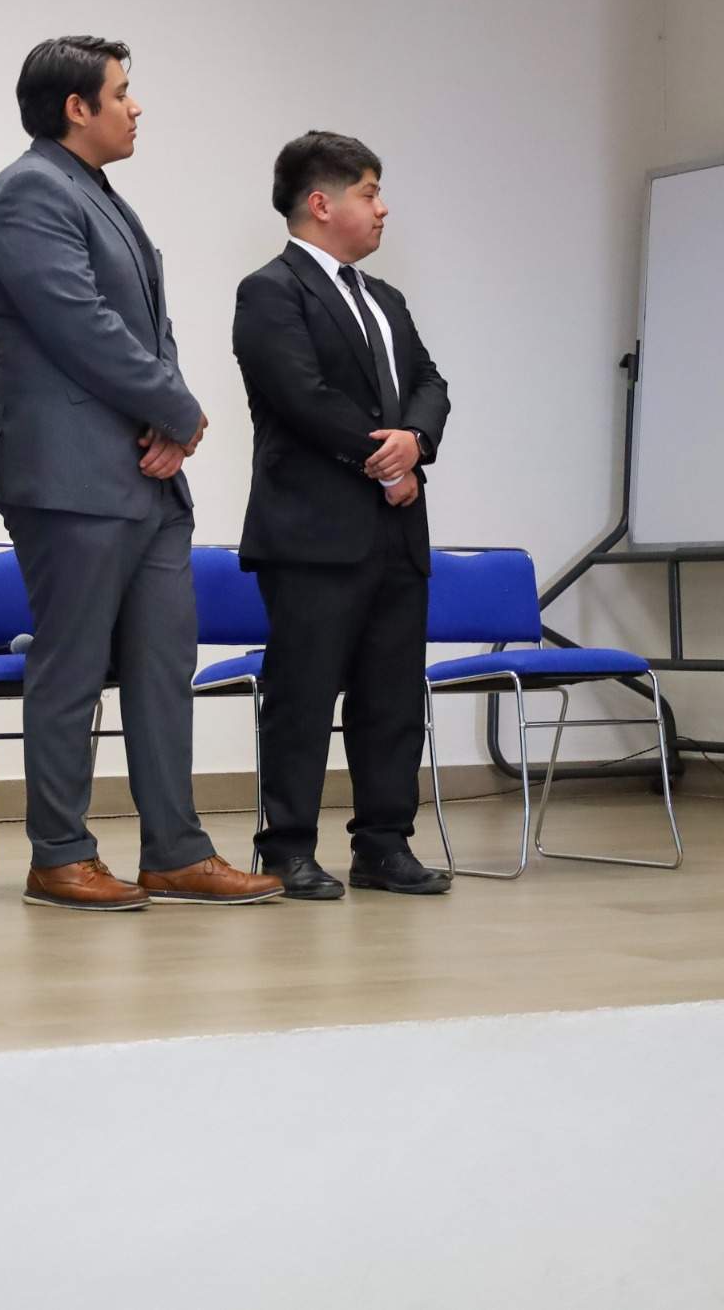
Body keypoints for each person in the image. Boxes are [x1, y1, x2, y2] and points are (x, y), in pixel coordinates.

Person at [0, 37, 280, 911]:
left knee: (161, 664)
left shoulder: (101, 195)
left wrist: (170, 420)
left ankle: (175, 850)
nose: (135, 107)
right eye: (121, 92)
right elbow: (79, 324)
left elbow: (150, 330)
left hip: (146, 473)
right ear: (77, 107)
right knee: (71, 666)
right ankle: (59, 855)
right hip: (68, 471)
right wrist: (178, 409)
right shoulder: (30, 189)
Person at [233, 132, 453, 898]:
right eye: (369, 192)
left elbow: (430, 383)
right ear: (322, 204)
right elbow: (302, 397)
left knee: (391, 697)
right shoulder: (270, 291)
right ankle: (286, 848)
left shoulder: (385, 298)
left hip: (396, 529)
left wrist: (416, 440)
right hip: (313, 534)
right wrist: (386, 461)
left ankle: (384, 845)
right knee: (301, 697)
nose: (383, 207)